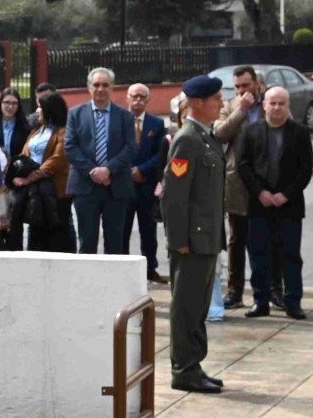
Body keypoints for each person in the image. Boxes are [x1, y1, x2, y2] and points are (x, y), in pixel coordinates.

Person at [162, 75, 227, 393]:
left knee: (198, 307)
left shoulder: (205, 137)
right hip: (191, 241)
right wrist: (179, 241)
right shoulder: (187, 139)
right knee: (186, 306)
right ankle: (183, 370)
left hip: (206, 237)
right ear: (198, 102)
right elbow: (174, 197)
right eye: (216, 98)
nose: (222, 103)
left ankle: (193, 365)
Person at [237, 87, 313, 320]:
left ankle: (293, 302)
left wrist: (286, 194)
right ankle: (260, 300)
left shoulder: (300, 132)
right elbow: (243, 165)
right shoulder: (251, 131)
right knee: (259, 254)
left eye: (281, 103)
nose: (277, 108)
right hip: (259, 204)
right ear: (264, 105)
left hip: (289, 205)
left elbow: (305, 169)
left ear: (288, 105)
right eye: (272, 103)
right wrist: (260, 192)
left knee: (290, 255)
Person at [65, 68, 138, 254]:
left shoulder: (125, 117)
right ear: (89, 88)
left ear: (112, 88)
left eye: (105, 85)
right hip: (85, 186)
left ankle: (113, 283)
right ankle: (86, 282)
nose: (100, 89)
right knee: (87, 241)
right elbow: (70, 147)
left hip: (116, 187)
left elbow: (130, 148)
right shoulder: (75, 114)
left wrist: (108, 170)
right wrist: (93, 171)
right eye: (96, 85)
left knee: (115, 243)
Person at [214, 66, 263, 307]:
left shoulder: (271, 102)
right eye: (238, 87)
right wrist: (241, 110)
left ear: (256, 83)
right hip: (238, 182)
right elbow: (220, 133)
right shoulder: (230, 106)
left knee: (266, 239)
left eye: (246, 85)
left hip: (267, 181)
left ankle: (268, 290)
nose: (242, 91)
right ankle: (234, 291)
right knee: (237, 238)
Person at [3, 90, 72, 253]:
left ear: (50, 109)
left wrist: (29, 178)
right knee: (35, 235)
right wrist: (15, 176)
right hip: (34, 194)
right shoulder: (37, 131)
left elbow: (56, 161)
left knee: (56, 237)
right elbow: (25, 154)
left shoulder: (63, 132)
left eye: (40, 107)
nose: (37, 111)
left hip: (55, 194)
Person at [124, 84, 169, 282]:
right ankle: (122, 267)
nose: (138, 101)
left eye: (142, 97)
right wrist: (128, 171)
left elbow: (160, 155)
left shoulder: (156, 124)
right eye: (134, 96)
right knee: (122, 230)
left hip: (146, 185)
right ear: (127, 97)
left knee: (148, 232)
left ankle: (150, 269)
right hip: (123, 186)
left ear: (148, 100)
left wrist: (142, 170)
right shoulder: (119, 120)